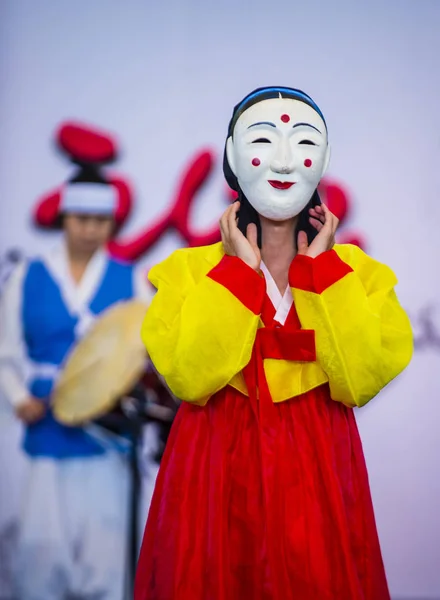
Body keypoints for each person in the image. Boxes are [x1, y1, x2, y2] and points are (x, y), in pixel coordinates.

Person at [134, 87, 413, 600]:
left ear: (322, 159)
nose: (284, 159)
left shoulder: (359, 276)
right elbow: (192, 379)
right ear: (232, 158)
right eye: (264, 138)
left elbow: (359, 379)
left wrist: (325, 271)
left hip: (320, 470)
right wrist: (240, 271)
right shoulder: (190, 274)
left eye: (303, 141)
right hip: (213, 471)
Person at [0, 168, 153, 600]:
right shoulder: (28, 276)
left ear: (112, 224)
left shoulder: (129, 278)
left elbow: (142, 351)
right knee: (39, 554)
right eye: (81, 218)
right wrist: (17, 397)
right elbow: (5, 350)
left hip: (106, 439)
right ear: (64, 217)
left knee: (107, 554)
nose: (90, 229)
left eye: (100, 221)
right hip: (45, 429)